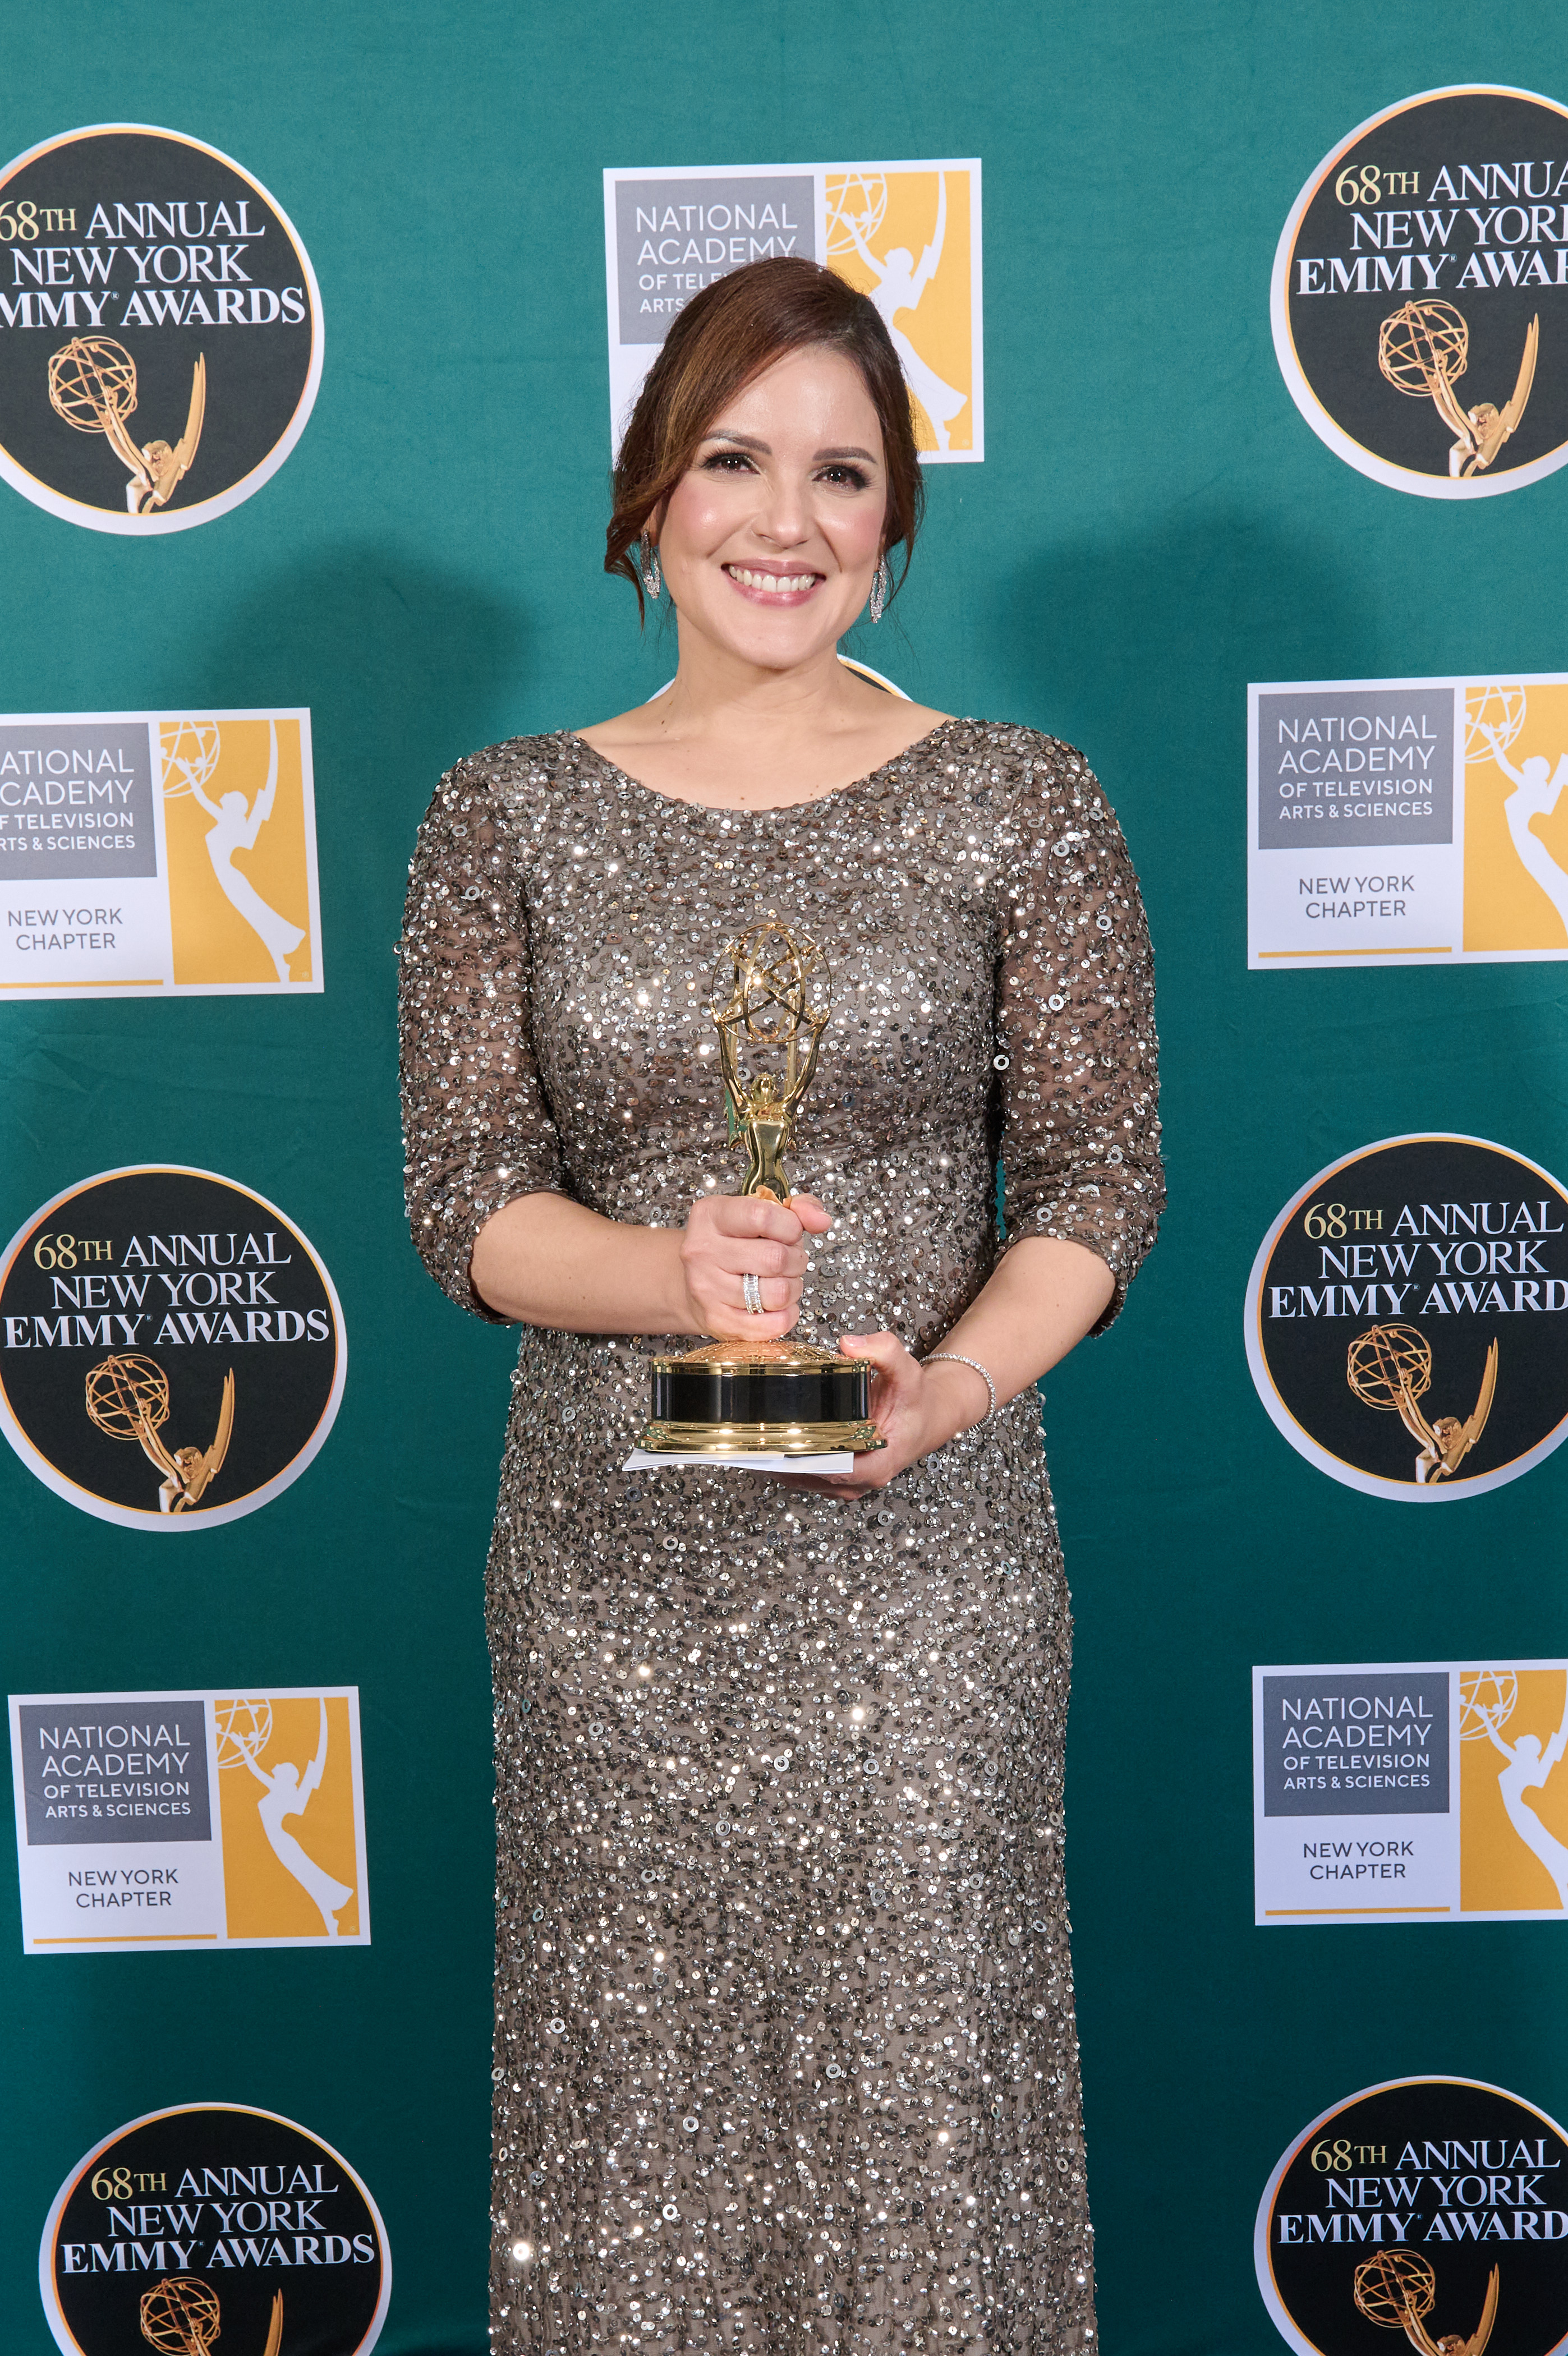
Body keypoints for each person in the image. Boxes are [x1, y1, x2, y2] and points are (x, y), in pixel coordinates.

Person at [399, 254, 1162, 2355]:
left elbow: (1097, 1188)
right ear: (651, 491)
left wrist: (954, 1394)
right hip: (611, 1590)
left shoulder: (1022, 800)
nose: (785, 519)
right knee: (633, 2149)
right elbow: (466, 1206)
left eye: (842, 473)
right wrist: (669, 1272)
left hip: (923, 1573)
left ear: (894, 518)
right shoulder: (502, 815)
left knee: (928, 2122)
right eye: (735, 459)